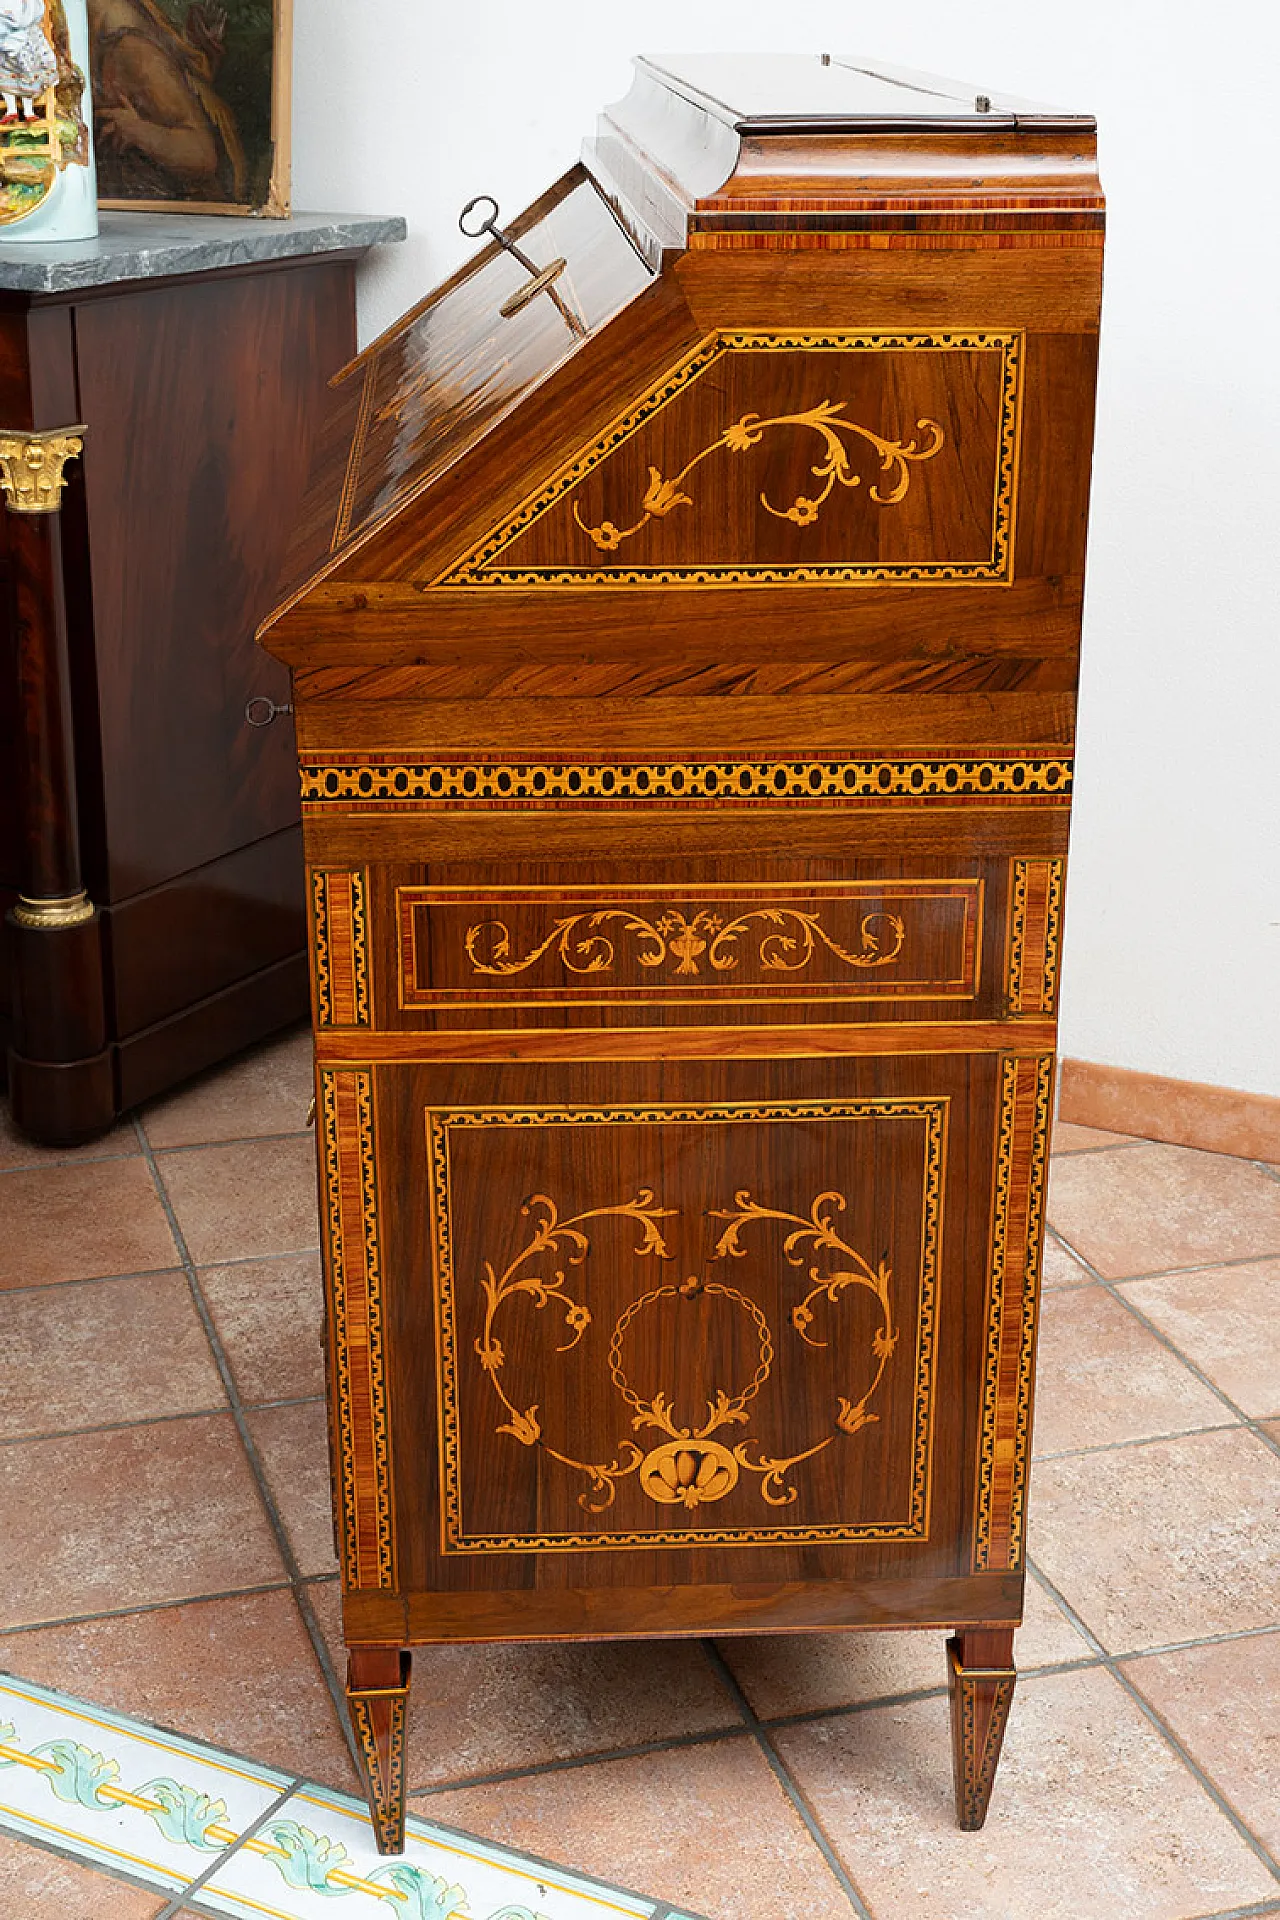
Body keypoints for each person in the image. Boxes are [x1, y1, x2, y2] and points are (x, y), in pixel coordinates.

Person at [88, 0, 246, 202]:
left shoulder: (133, 53)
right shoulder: (81, 33)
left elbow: (202, 153)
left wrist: (139, 131)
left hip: (173, 213)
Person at [0, 0, 58, 124]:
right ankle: (11, 110)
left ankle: (28, 110)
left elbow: (32, 13)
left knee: (28, 75)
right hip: (5, 45)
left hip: (25, 41)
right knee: (5, 77)